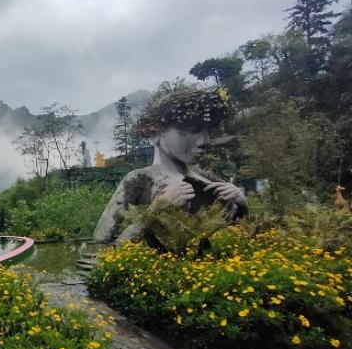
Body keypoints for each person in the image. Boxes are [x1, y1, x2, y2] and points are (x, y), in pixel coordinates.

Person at [92, 84, 247, 246]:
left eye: (208, 132)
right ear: (155, 133)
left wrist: (242, 204)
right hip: (157, 269)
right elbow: (101, 239)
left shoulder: (208, 178)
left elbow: (240, 231)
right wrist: (159, 207)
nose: (205, 141)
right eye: (192, 129)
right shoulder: (139, 179)